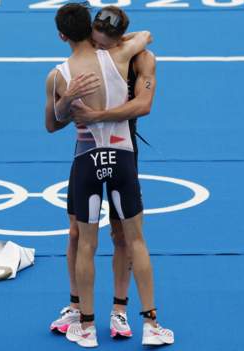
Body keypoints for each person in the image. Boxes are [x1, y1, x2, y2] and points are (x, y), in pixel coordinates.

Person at [48, 3, 173, 347]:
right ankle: (78, 310)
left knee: (122, 235)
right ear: (89, 33)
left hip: (121, 143)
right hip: (92, 150)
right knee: (77, 233)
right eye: (97, 40)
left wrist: (96, 114)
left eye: (107, 41)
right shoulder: (104, 56)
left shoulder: (136, 57)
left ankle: (119, 310)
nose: (101, 46)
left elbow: (143, 105)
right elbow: (53, 122)